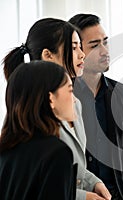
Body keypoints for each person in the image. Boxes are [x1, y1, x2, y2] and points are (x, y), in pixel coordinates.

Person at [2, 18, 111, 200]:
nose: (82, 54)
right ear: (48, 55)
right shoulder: (28, 108)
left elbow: (75, 166)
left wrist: (94, 183)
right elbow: (30, 182)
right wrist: (85, 197)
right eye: (74, 47)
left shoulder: (75, 102)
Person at [69, 14, 123, 200]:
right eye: (95, 45)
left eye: (105, 42)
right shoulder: (65, 96)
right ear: (77, 50)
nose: (104, 51)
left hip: (117, 195)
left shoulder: (122, 93)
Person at [0, 61, 77, 200]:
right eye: (70, 90)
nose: (75, 100)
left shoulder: (5, 149)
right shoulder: (57, 153)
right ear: (51, 98)